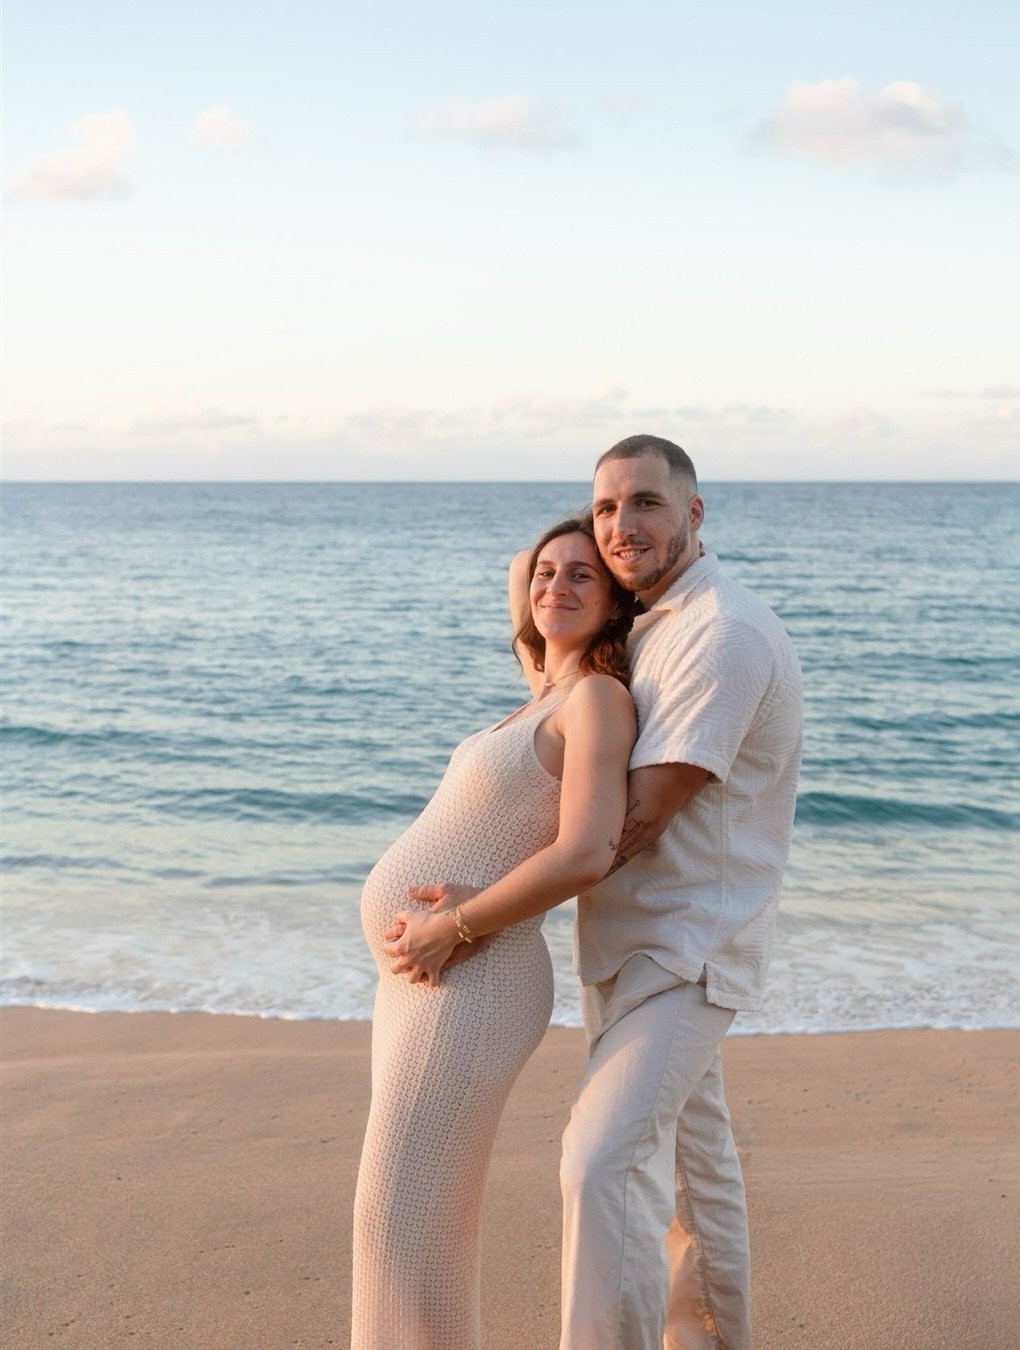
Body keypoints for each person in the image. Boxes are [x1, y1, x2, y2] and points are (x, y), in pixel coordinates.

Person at [541, 435, 803, 1350]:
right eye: (605, 508)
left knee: (600, 1163)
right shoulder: (648, 624)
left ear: (693, 512)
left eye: (646, 502)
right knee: (695, 1172)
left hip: (685, 951)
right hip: (630, 942)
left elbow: (636, 819)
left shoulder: (721, 633)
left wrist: (473, 908)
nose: (622, 525)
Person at [351, 518, 638, 1350]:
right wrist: (566, 556)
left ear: (615, 601)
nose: (553, 585)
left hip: (476, 974)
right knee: (422, 1225)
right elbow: (522, 569)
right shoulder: (541, 687)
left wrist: (454, 922)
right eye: (547, 573)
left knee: (394, 1215)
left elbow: (587, 850)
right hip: (425, 979)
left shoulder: (596, 699)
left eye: (582, 576)